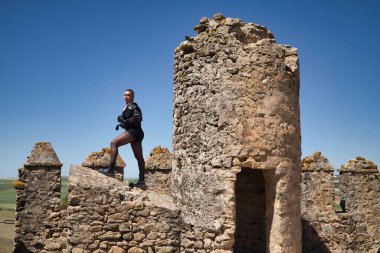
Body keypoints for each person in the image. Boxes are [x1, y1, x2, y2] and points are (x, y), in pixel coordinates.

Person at [99, 89, 146, 188]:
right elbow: (128, 123)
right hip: (136, 132)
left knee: (114, 143)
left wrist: (124, 121)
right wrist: (122, 123)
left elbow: (137, 119)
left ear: (133, 96)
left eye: (128, 95)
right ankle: (142, 181)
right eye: (124, 95)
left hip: (135, 132)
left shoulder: (134, 106)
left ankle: (111, 169)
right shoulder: (126, 107)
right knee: (139, 157)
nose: (126, 96)